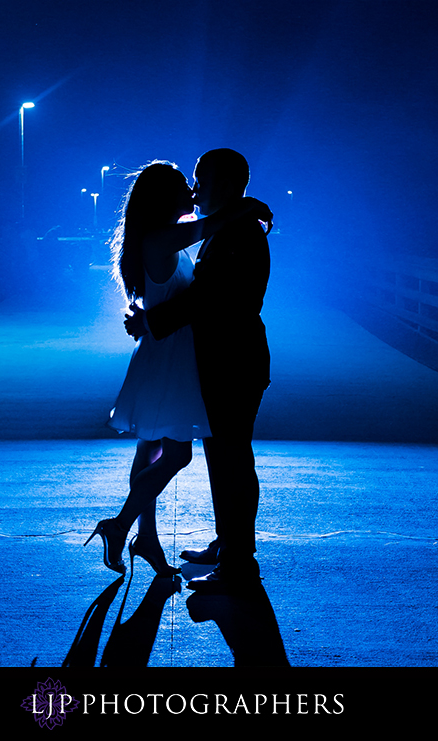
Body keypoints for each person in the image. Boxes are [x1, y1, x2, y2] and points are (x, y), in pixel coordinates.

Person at [86, 160, 271, 578]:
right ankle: (137, 531)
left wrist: (151, 320)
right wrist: (248, 204)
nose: (193, 190)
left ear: (223, 183)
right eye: (187, 184)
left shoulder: (227, 232)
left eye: (200, 181)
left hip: (209, 360)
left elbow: (206, 298)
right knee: (184, 454)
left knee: (207, 458)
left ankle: (157, 537)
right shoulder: (182, 234)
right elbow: (199, 284)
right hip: (173, 359)